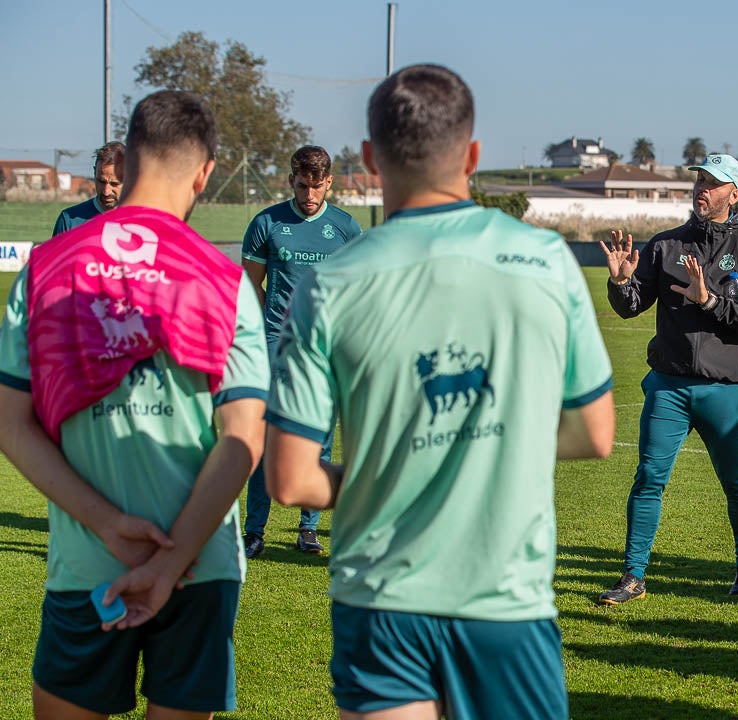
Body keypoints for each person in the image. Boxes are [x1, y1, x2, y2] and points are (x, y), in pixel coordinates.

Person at [264, 64, 615, 720]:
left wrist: (388, 470)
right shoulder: (543, 260)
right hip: (504, 601)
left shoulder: (329, 284)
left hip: (380, 603)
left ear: (369, 160)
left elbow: (289, 480)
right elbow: (595, 434)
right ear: (473, 155)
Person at [0, 90, 267, 719]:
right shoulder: (222, 280)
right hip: (200, 566)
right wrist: (172, 559)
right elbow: (244, 439)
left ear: (130, 155)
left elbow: (10, 422)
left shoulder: (45, 269)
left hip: (89, 561)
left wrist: (105, 522)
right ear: (205, 173)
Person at [596, 152, 738, 605]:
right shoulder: (665, 245)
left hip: (726, 390)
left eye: (713, 182)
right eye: (699, 179)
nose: (702, 187)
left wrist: (711, 302)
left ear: (733, 194)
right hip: (669, 387)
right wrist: (622, 283)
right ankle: (633, 577)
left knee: (736, 483)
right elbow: (631, 306)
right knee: (648, 479)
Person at [238, 145, 361, 558]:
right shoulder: (266, 223)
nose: (310, 195)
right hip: (275, 344)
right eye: (303, 185)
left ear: (329, 183)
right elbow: (250, 285)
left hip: (323, 349)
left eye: (317, 186)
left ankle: (308, 529)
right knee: (266, 436)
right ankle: (254, 530)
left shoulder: (346, 229)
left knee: (320, 438)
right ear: (291, 180)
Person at [52, 141, 125, 236]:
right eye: (101, 182)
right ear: (95, 172)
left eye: (114, 184)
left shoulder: (143, 223)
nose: (106, 191)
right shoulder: (69, 221)